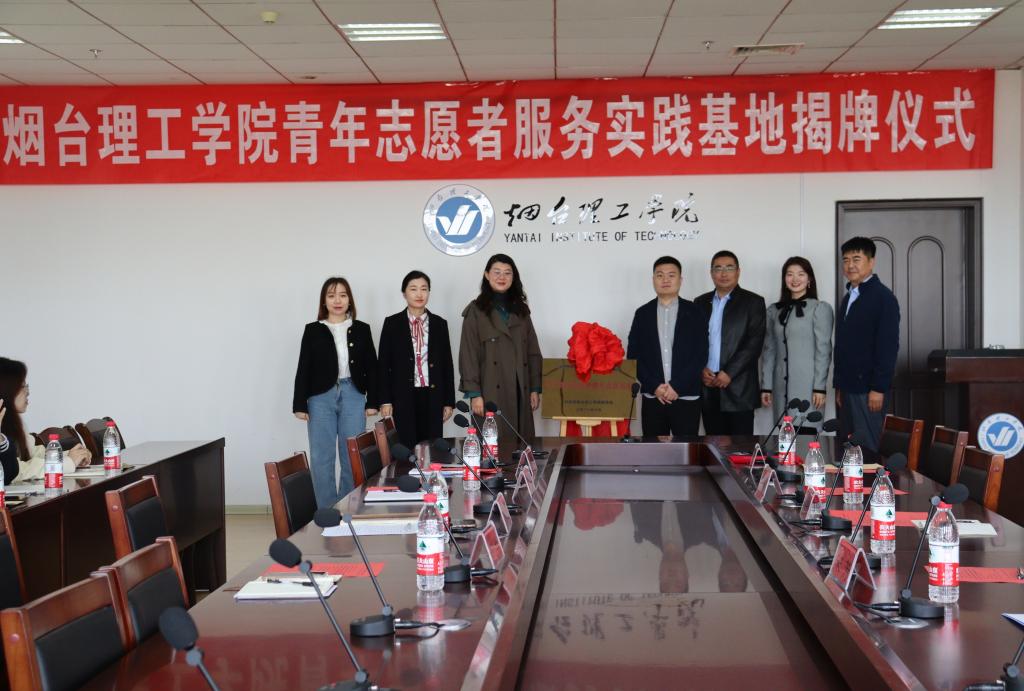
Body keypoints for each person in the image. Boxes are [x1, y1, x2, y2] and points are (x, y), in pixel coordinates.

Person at [293, 277, 379, 508]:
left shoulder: (362, 329)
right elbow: (304, 367)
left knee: (353, 454)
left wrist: (373, 401)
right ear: (324, 301)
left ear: (350, 299)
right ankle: (326, 511)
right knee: (322, 456)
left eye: (342, 295)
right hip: (320, 397)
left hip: (353, 393)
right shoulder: (313, 330)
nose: (337, 300)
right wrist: (300, 404)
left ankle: (348, 507)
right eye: (331, 296)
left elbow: (372, 367)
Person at [459, 254, 543, 444]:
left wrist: (534, 388)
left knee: (522, 446)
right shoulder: (476, 311)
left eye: (507, 273)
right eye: (496, 272)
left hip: (520, 388)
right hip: (490, 390)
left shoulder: (521, 310)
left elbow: (533, 351)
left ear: (513, 277)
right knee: (492, 446)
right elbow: (468, 355)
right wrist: (474, 394)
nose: (502, 277)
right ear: (487, 275)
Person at [627, 256, 708, 437]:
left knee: (687, 450)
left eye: (671, 275)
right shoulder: (642, 313)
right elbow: (633, 355)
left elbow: (701, 354)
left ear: (680, 279)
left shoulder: (695, 312)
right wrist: (654, 386)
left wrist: (677, 386)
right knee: (653, 451)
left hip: (686, 396)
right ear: (653, 279)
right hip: (653, 397)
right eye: (660, 275)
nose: (665, 280)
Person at [834, 237, 900, 452]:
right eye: (846, 260)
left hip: (869, 389)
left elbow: (888, 347)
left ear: (871, 262)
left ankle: (871, 477)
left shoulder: (883, 298)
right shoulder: (849, 297)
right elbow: (843, 346)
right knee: (848, 446)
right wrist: (839, 385)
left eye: (856, 259)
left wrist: (878, 388)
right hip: (848, 387)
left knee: (868, 447)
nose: (850, 265)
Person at [377, 271, 456, 450]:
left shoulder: (439, 324)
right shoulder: (392, 323)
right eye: (413, 289)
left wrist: (448, 401)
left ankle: (431, 471)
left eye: (424, 289)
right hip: (403, 395)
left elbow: (447, 364)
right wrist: (385, 400)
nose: (419, 294)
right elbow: (383, 364)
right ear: (404, 293)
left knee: (433, 447)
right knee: (406, 447)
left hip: (433, 395)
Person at [695, 250, 766, 435]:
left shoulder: (753, 302)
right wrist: (700, 368)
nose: (723, 273)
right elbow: (693, 342)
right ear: (711, 273)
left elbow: (754, 343)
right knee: (713, 445)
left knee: (741, 446)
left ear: (738, 271)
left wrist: (729, 372)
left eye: (729, 268)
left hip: (739, 388)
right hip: (708, 386)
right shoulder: (700, 302)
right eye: (718, 268)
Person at [761, 257, 834, 433]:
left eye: (801, 274)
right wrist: (766, 386)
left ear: (809, 279)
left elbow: (824, 350)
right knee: (784, 439)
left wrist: (819, 387)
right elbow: (769, 350)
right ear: (784, 279)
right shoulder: (774, 310)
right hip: (780, 388)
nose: (795, 279)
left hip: (808, 387)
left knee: (806, 434)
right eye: (790, 274)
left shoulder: (820, 308)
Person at [0, 357, 89, 483]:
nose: (27, 392)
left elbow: (32, 454)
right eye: (22, 386)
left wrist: (72, 456)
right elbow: (18, 471)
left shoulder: (13, 424)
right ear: (6, 391)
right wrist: (66, 463)